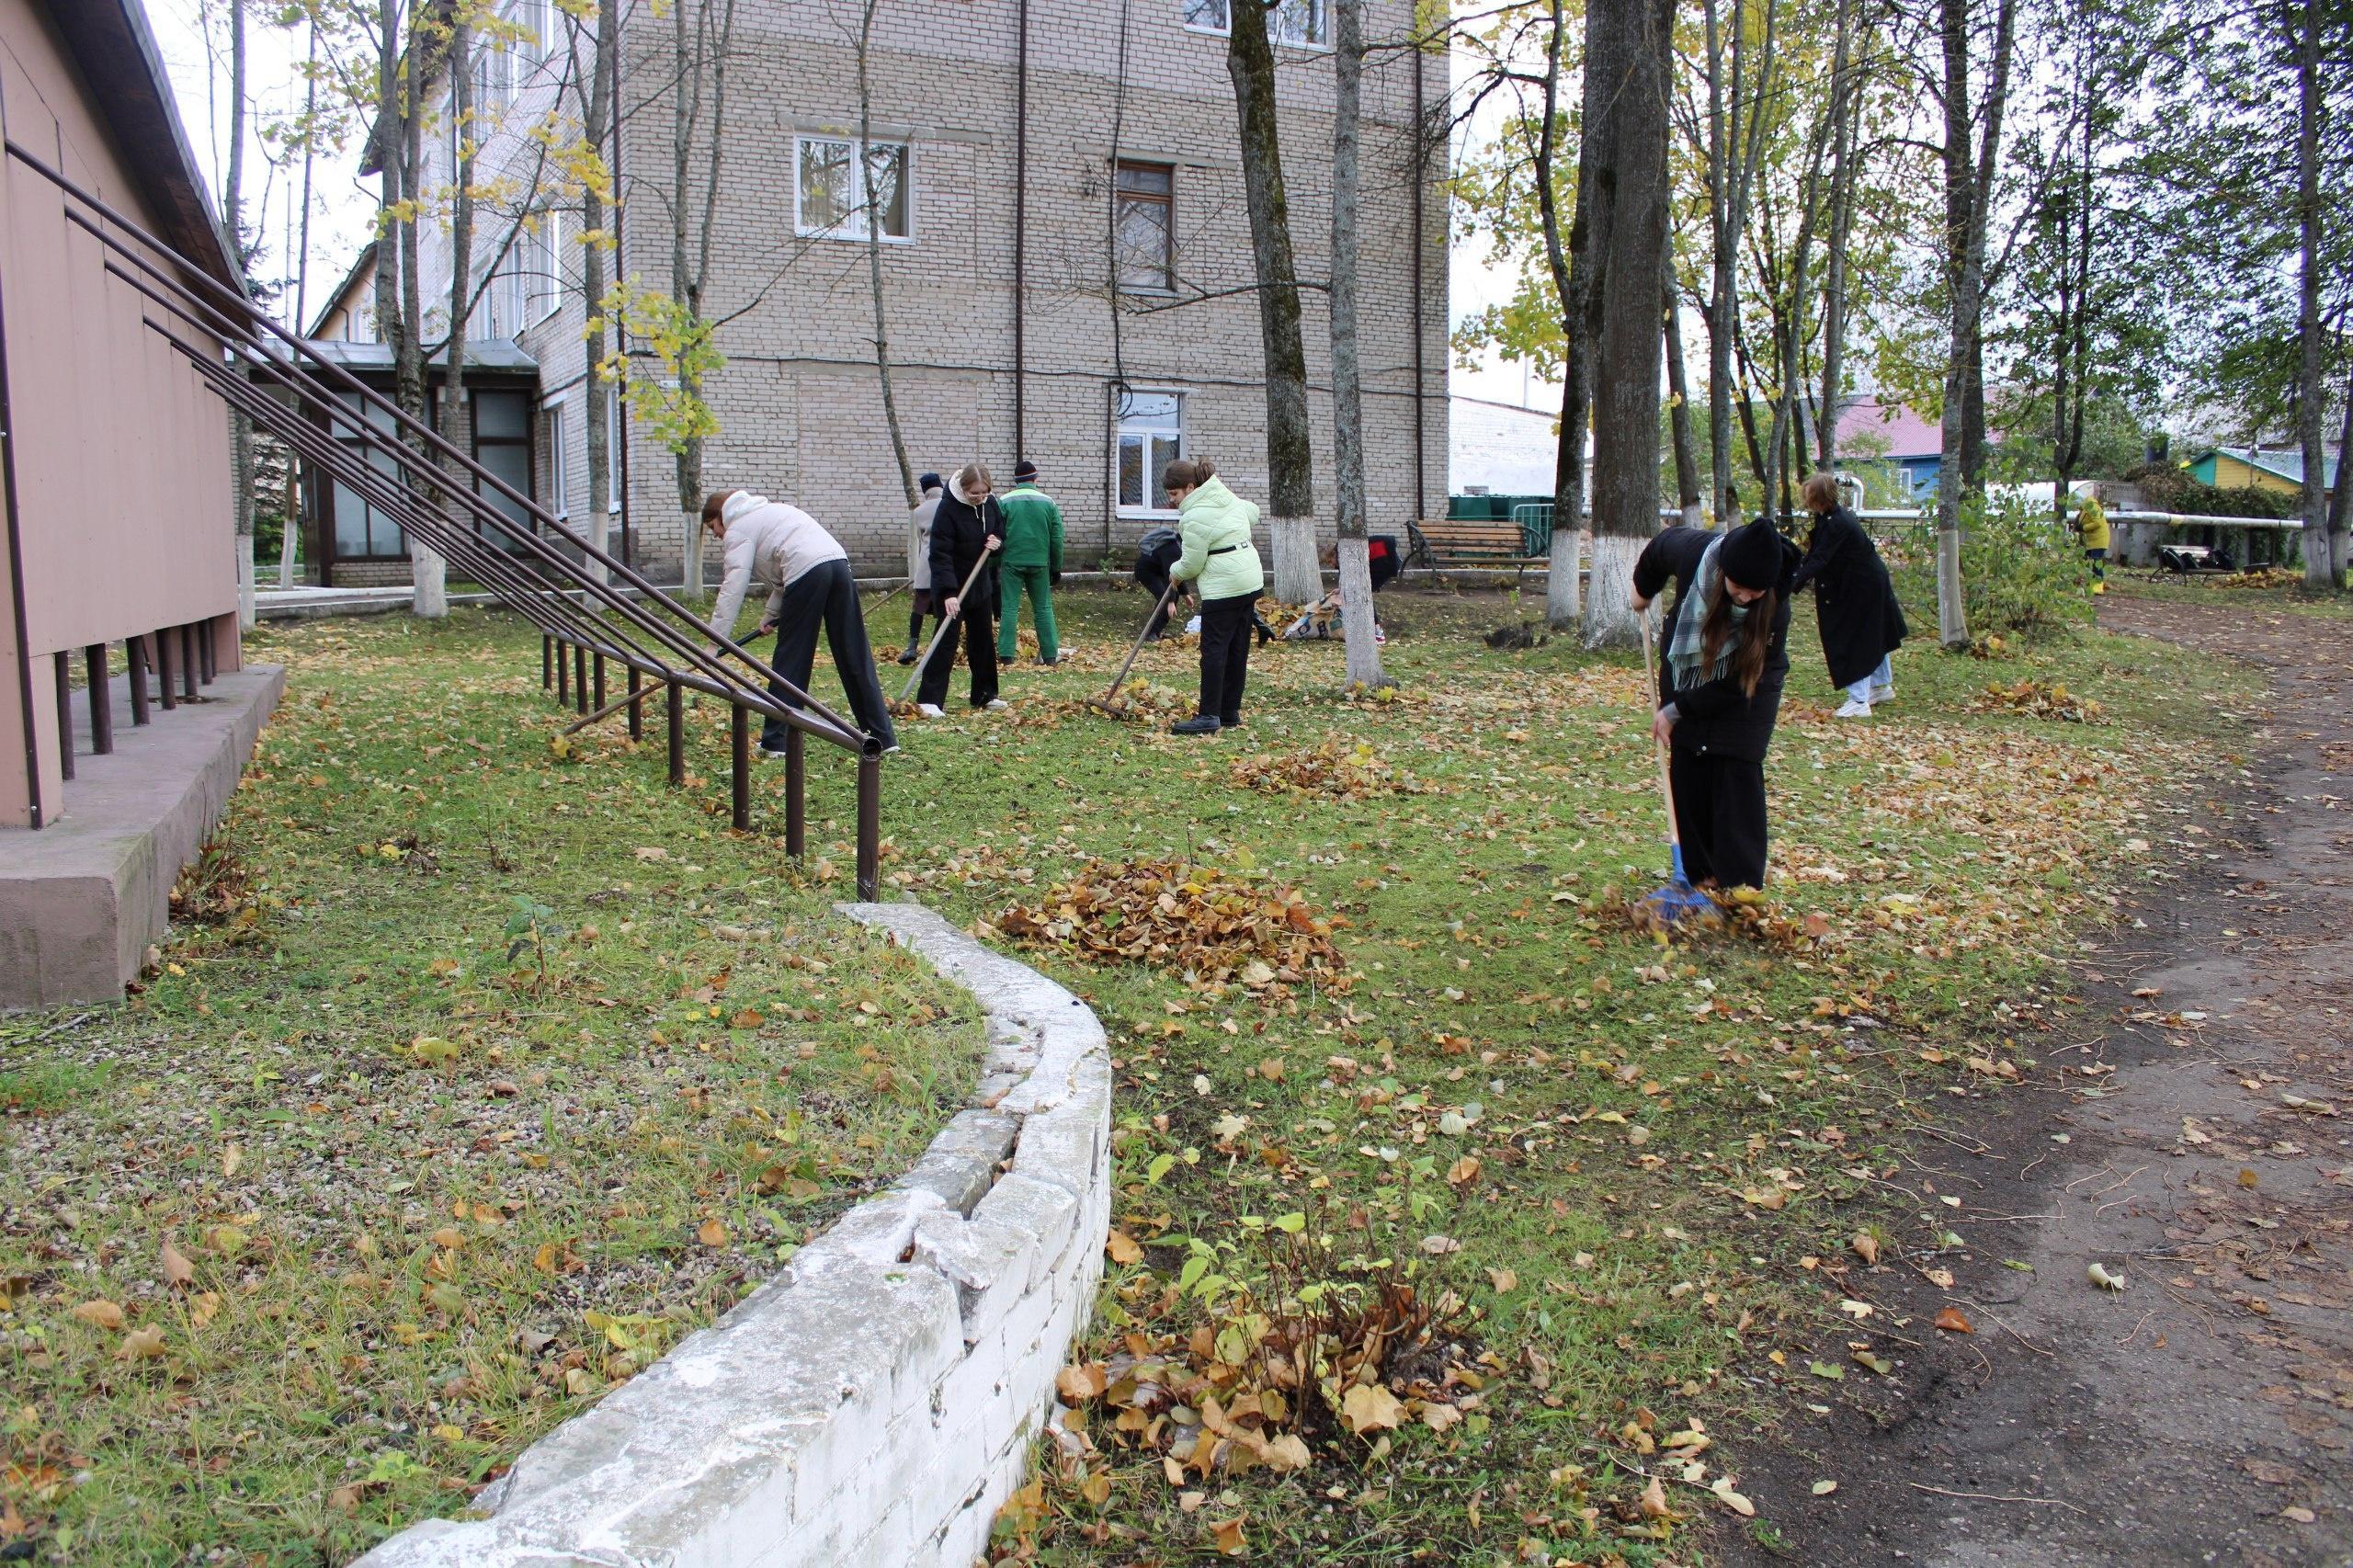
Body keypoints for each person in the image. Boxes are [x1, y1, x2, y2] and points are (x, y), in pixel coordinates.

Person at [1631, 517, 1800, 891]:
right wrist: (1642, 590)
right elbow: (1659, 549)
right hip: (1689, 665)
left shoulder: (1775, 605)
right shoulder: (1695, 553)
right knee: (1690, 763)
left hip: (1749, 687)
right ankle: (1697, 878)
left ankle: (1740, 890)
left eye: (1754, 593)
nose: (1744, 598)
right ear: (1724, 570)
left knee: (1734, 769)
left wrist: (1677, 710)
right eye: (1738, 588)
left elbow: (1741, 683)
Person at [701, 488, 896, 753]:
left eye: (714, 527)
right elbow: (785, 572)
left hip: (807, 572)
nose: (717, 534)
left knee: (791, 657)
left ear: (721, 515)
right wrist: (770, 616)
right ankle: (883, 737)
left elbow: (733, 587)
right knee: (853, 650)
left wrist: (714, 643)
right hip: (838, 564)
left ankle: (775, 741)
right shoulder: (772, 511)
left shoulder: (738, 528)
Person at [1162, 458, 1265, 736]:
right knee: (1237, 648)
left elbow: (1192, 564)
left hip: (1225, 588)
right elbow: (1252, 511)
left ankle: (1208, 715)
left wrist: (1175, 572)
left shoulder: (1194, 516)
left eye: (1175, 494)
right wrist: (1230, 510)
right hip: (1250, 580)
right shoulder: (1224, 497)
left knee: (1214, 652)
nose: (1172, 500)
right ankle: (1229, 711)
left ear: (1191, 487)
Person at [1790, 472, 1906, 718]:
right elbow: (1815, 554)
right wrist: (1793, 573)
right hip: (1865, 580)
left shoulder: (1837, 523)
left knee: (1855, 638)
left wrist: (1790, 585)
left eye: (1809, 495)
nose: (1805, 500)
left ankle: (1859, 701)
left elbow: (1820, 559)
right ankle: (1880, 686)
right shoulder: (1830, 517)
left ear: (1819, 497)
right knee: (1873, 634)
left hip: (1862, 586)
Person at [915, 463, 1006, 716]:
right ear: (963, 488)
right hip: (952, 584)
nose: (979, 498)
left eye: (984, 493)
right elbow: (940, 554)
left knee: (983, 639)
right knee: (946, 640)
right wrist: (948, 593)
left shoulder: (990, 504)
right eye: (974, 493)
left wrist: (997, 543)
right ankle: (929, 700)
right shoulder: (948, 508)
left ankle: (985, 695)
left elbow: (1000, 532)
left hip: (979, 583)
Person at [995, 460, 1066, 665]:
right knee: (1043, 608)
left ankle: (1007, 655)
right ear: (1035, 479)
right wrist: (1056, 566)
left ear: (1016, 480)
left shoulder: (1004, 501)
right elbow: (1057, 538)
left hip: (1012, 562)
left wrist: (994, 565)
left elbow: (997, 535)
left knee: (1009, 607)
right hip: (1040, 563)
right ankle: (1050, 655)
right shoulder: (1048, 502)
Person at [899, 472, 945, 665]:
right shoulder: (950, 505)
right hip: (947, 563)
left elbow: (920, 538)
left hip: (926, 563)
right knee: (945, 607)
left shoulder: (919, 511)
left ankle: (912, 646)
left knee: (919, 605)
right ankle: (939, 647)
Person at [2075, 491, 2110, 595]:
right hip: (2092, 540)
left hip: (2099, 539)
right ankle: (2092, 584)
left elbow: (2097, 522)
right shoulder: (2085, 508)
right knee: (2089, 563)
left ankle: (2098, 587)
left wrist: (2083, 527)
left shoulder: (2092, 507)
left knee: (2096, 563)